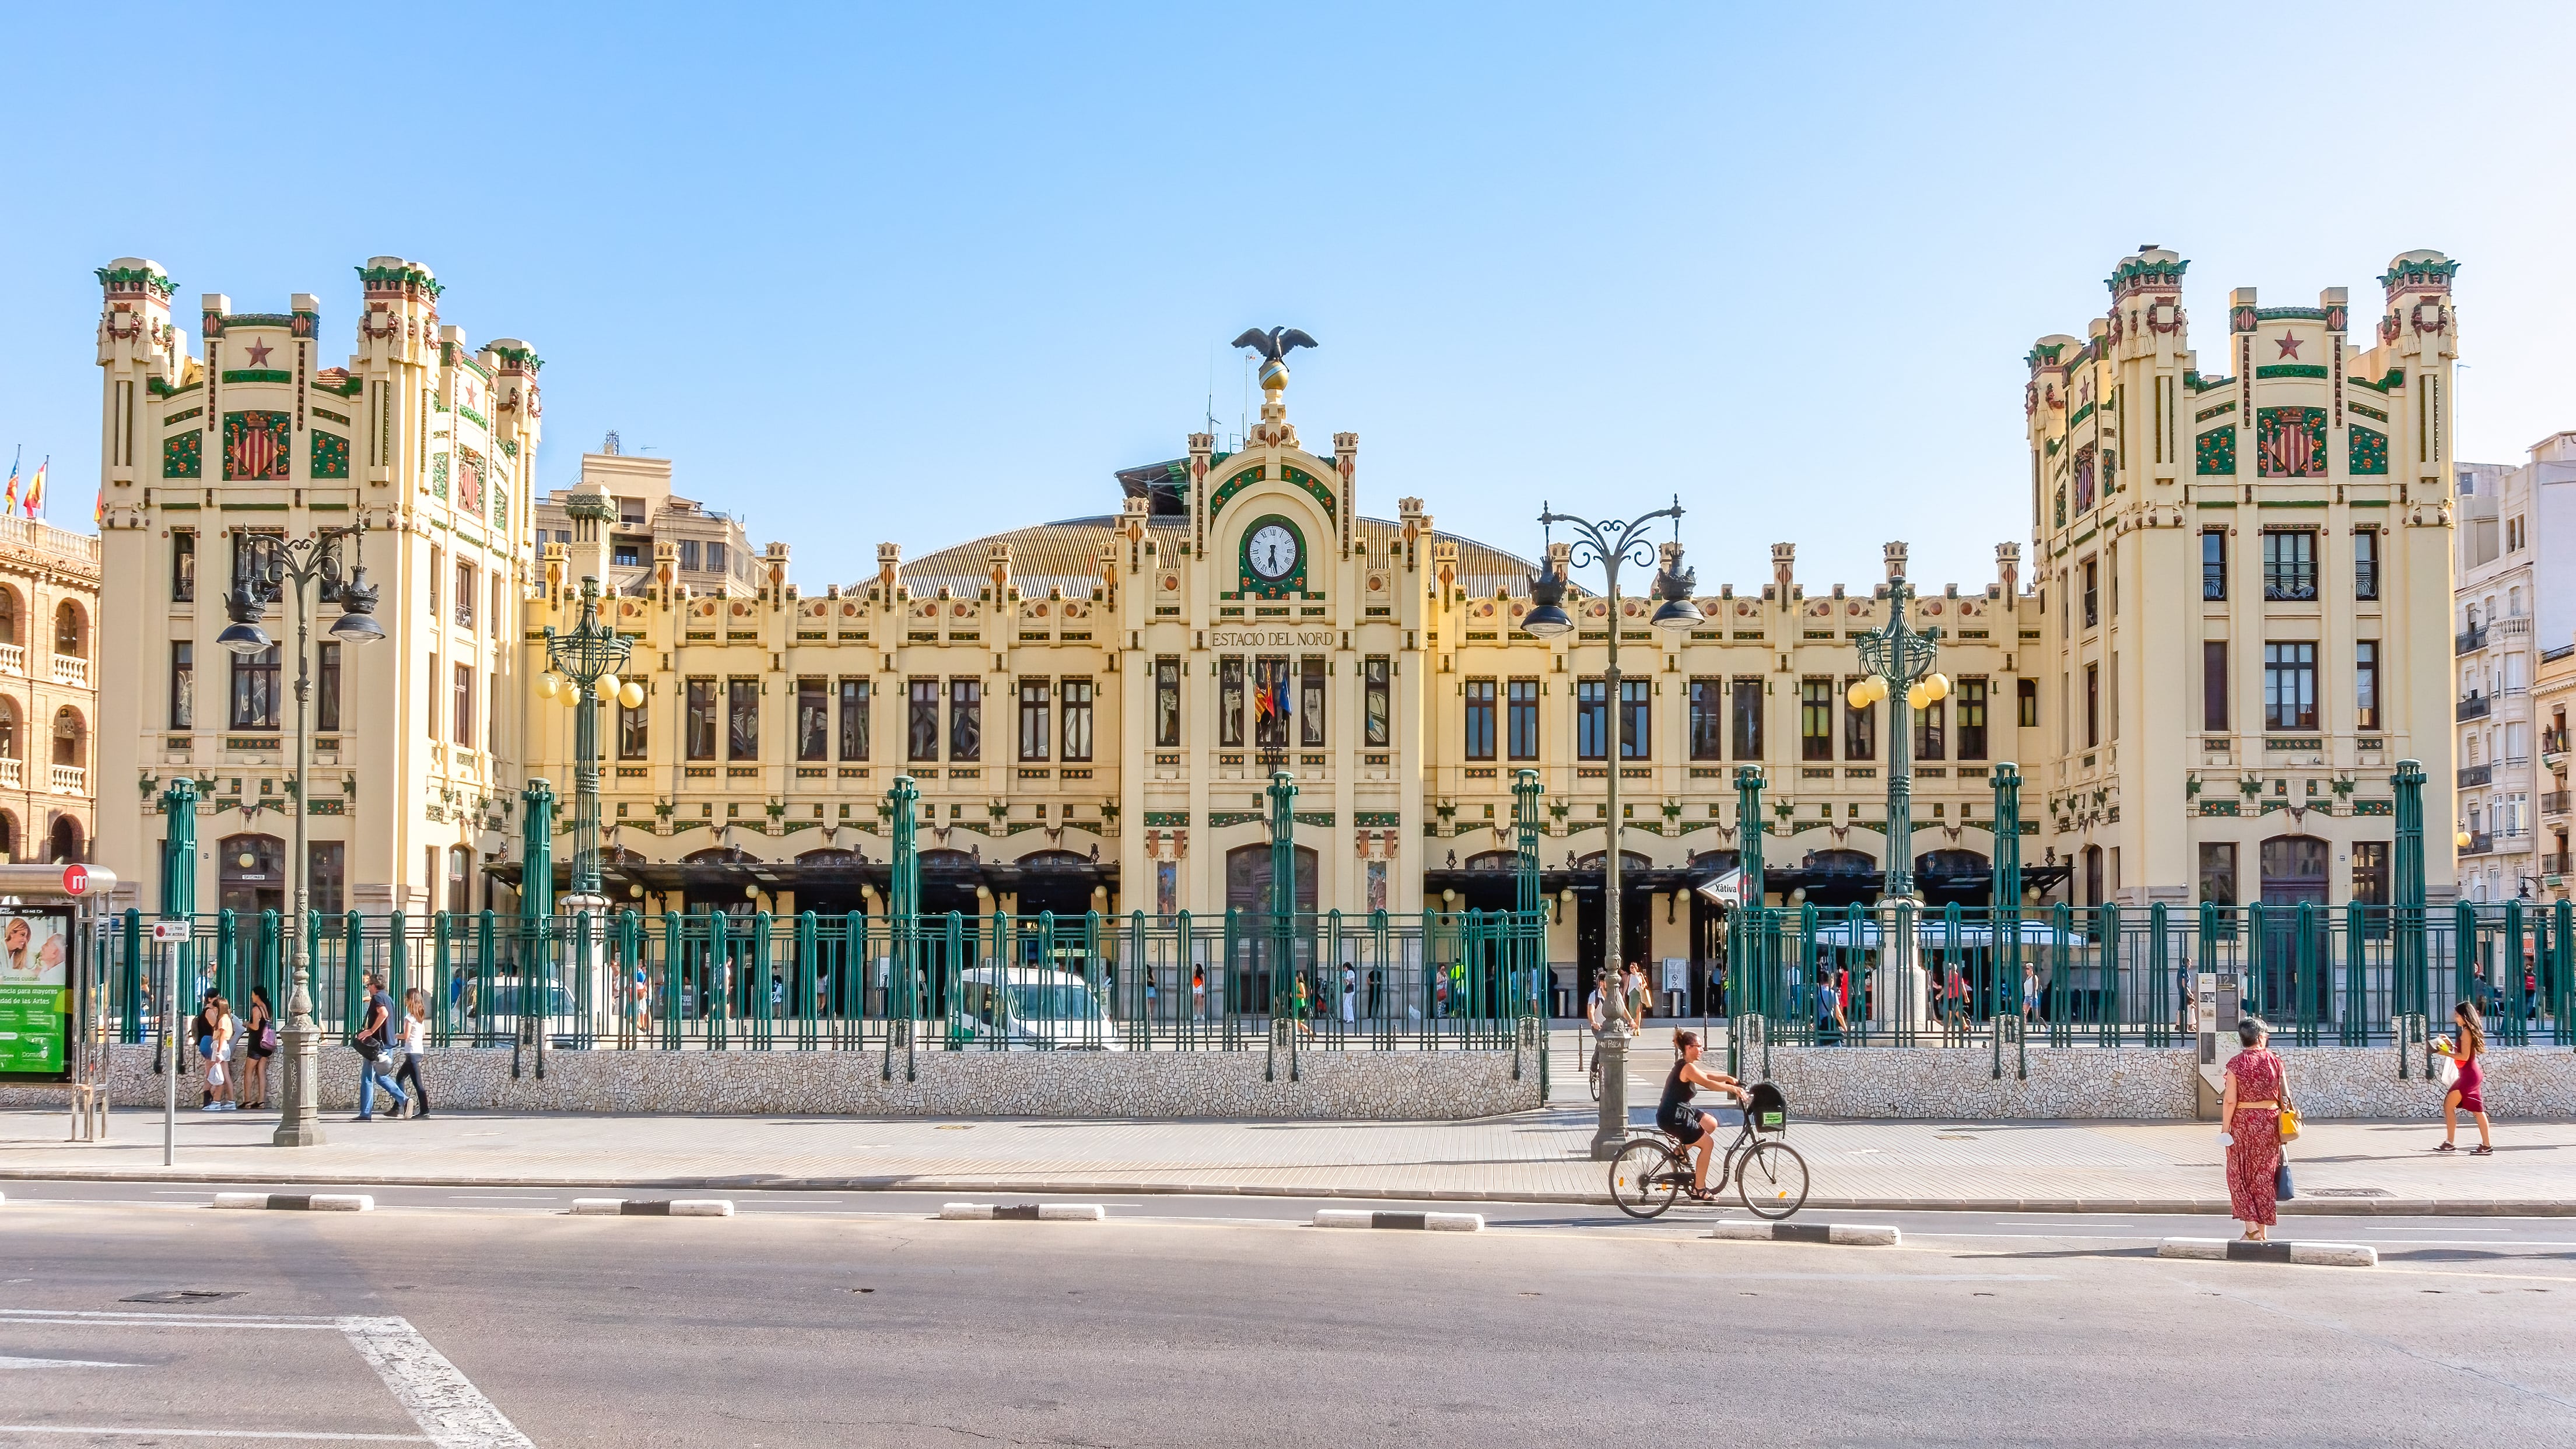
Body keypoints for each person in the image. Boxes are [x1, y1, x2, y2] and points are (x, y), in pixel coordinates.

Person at [1657, 1029, 1751, 1201]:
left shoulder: (1687, 1065)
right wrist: (1733, 1089)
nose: (1702, 1050)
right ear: (1688, 1047)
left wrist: (1727, 1078)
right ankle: (1699, 1189)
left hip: (1681, 1110)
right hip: (1674, 1116)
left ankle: (1680, 1151)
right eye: (1699, 1046)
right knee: (1708, 1144)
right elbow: (1708, 1083)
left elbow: (1706, 1075)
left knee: (1711, 1123)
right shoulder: (1687, 1068)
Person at [2219, 1015, 2289, 1242]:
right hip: (2270, 1123)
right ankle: (2261, 1232)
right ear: (2260, 1038)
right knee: (2264, 1178)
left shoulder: (2236, 1064)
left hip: (2243, 1124)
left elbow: (2230, 1101)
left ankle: (2251, 1229)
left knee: (2238, 1175)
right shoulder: (2275, 1062)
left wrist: (2225, 1130)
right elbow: (2284, 1098)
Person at [2433, 1000, 2493, 1155]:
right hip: (2469, 1075)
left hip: (2469, 1076)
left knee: (2458, 1107)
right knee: (2474, 1110)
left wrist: (2445, 1053)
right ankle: (2484, 1145)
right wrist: (2450, 1045)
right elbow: (2462, 1052)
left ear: (2464, 1016)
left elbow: (2464, 1057)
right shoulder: (2467, 1031)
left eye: (2457, 1015)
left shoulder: (2466, 1032)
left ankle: (2452, 1143)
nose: (2456, 1018)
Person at [352, 973, 407, 1121]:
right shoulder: (389, 998)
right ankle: (404, 1101)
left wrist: (370, 1031)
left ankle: (365, 1113)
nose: (367, 988)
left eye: (368, 985)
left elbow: (383, 1014)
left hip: (377, 1046)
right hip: (388, 1043)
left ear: (374, 986)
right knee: (381, 1077)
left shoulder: (377, 998)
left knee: (367, 1078)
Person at [395, 987, 433, 1120]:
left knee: (417, 1084)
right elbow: (423, 1034)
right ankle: (398, 1106)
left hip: (411, 1053)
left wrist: (395, 1036)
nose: (404, 1001)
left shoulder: (409, 1018)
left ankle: (424, 1111)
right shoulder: (420, 1017)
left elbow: (405, 1035)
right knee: (400, 1077)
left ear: (409, 1000)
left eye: (406, 998)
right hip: (418, 1051)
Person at [241, 987, 275, 1111]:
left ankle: (247, 1101)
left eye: (253, 994)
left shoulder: (256, 1009)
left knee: (248, 1072)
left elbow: (255, 1027)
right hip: (266, 1044)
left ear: (258, 996)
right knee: (261, 1072)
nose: (252, 997)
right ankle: (261, 1101)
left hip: (256, 1044)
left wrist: (245, 1024)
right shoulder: (268, 1008)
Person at [204, 994, 236, 1111]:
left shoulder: (222, 1020)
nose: (213, 1010)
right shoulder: (227, 1018)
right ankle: (231, 1101)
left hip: (220, 1046)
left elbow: (222, 1036)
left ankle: (216, 1101)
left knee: (219, 1075)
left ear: (218, 1008)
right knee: (226, 1075)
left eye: (215, 1008)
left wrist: (218, 1053)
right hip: (224, 1047)